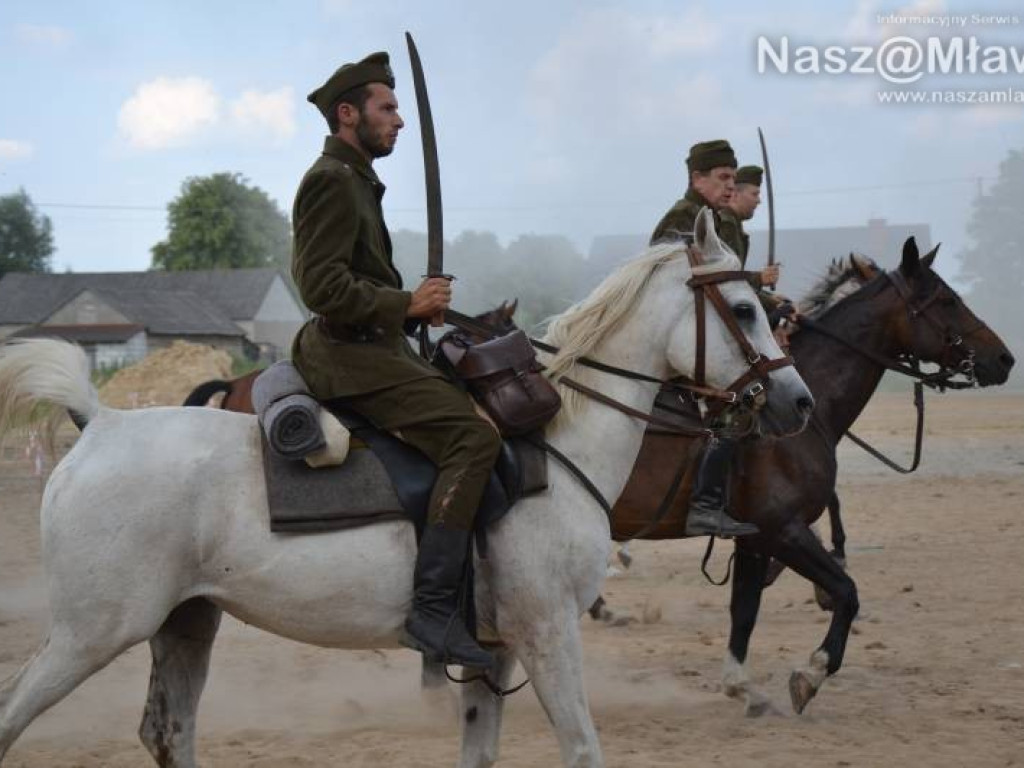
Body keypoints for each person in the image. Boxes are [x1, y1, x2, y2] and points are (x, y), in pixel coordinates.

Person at [290, 52, 499, 668]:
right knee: (473, 440)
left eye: (399, 109)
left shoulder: (357, 180)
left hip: (374, 343)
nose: (400, 120)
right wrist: (405, 302)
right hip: (345, 356)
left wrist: (411, 312)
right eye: (388, 108)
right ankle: (432, 610)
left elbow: (357, 280)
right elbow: (322, 287)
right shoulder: (331, 180)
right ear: (348, 114)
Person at [651, 140, 759, 539]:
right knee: (735, 409)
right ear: (698, 178)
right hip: (676, 336)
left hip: (698, 331)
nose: (731, 185)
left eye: (733, 178)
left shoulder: (709, 218)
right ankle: (705, 506)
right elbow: (670, 284)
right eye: (723, 177)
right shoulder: (684, 217)